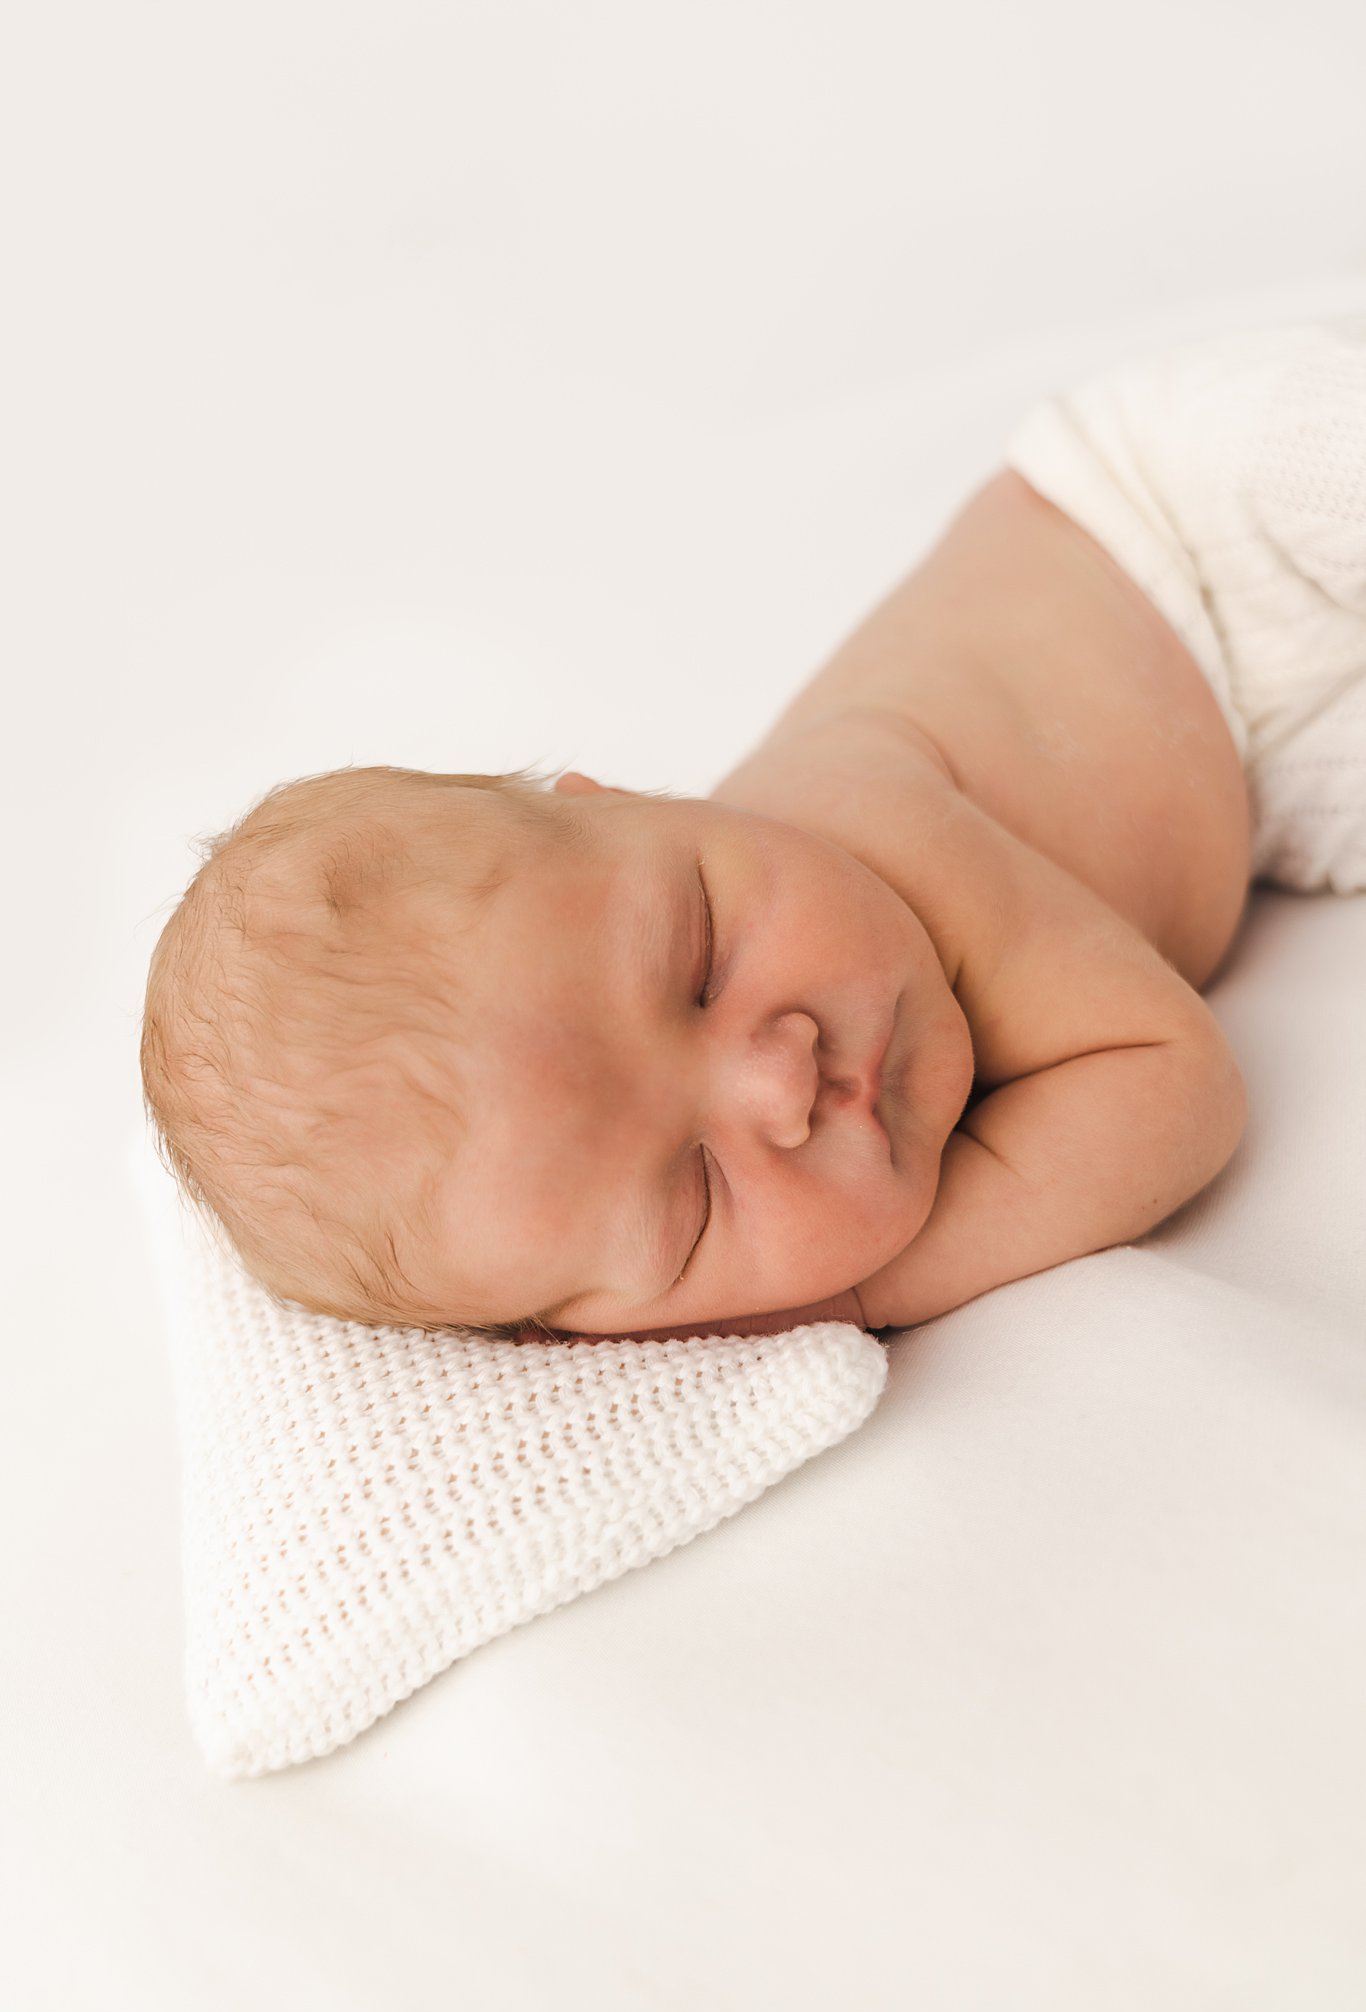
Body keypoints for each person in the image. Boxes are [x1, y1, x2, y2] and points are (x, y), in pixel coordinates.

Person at [139, 315, 1366, 1344]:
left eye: (701, 957)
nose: (783, 1078)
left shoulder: (863, 820)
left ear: (620, 805)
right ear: (610, 1331)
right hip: (1271, 777)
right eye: (693, 1200)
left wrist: (869, 1285)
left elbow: (1171, 1083)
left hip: (1185, 529)